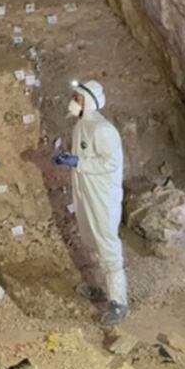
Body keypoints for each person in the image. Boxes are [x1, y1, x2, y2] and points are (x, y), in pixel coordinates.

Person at [53, 80, 128, 325]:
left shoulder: (103, 130)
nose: (73, 102)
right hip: (86, 193)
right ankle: (101, 287)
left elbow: (110, 163)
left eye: (78, 98)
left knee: (107, 243)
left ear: (90, 101)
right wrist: (69, 158)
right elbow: (84, 155)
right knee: (91, 239)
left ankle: (119, 302)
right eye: (74, 97)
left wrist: (78, 163)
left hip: (102, 196)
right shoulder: (80, 126)